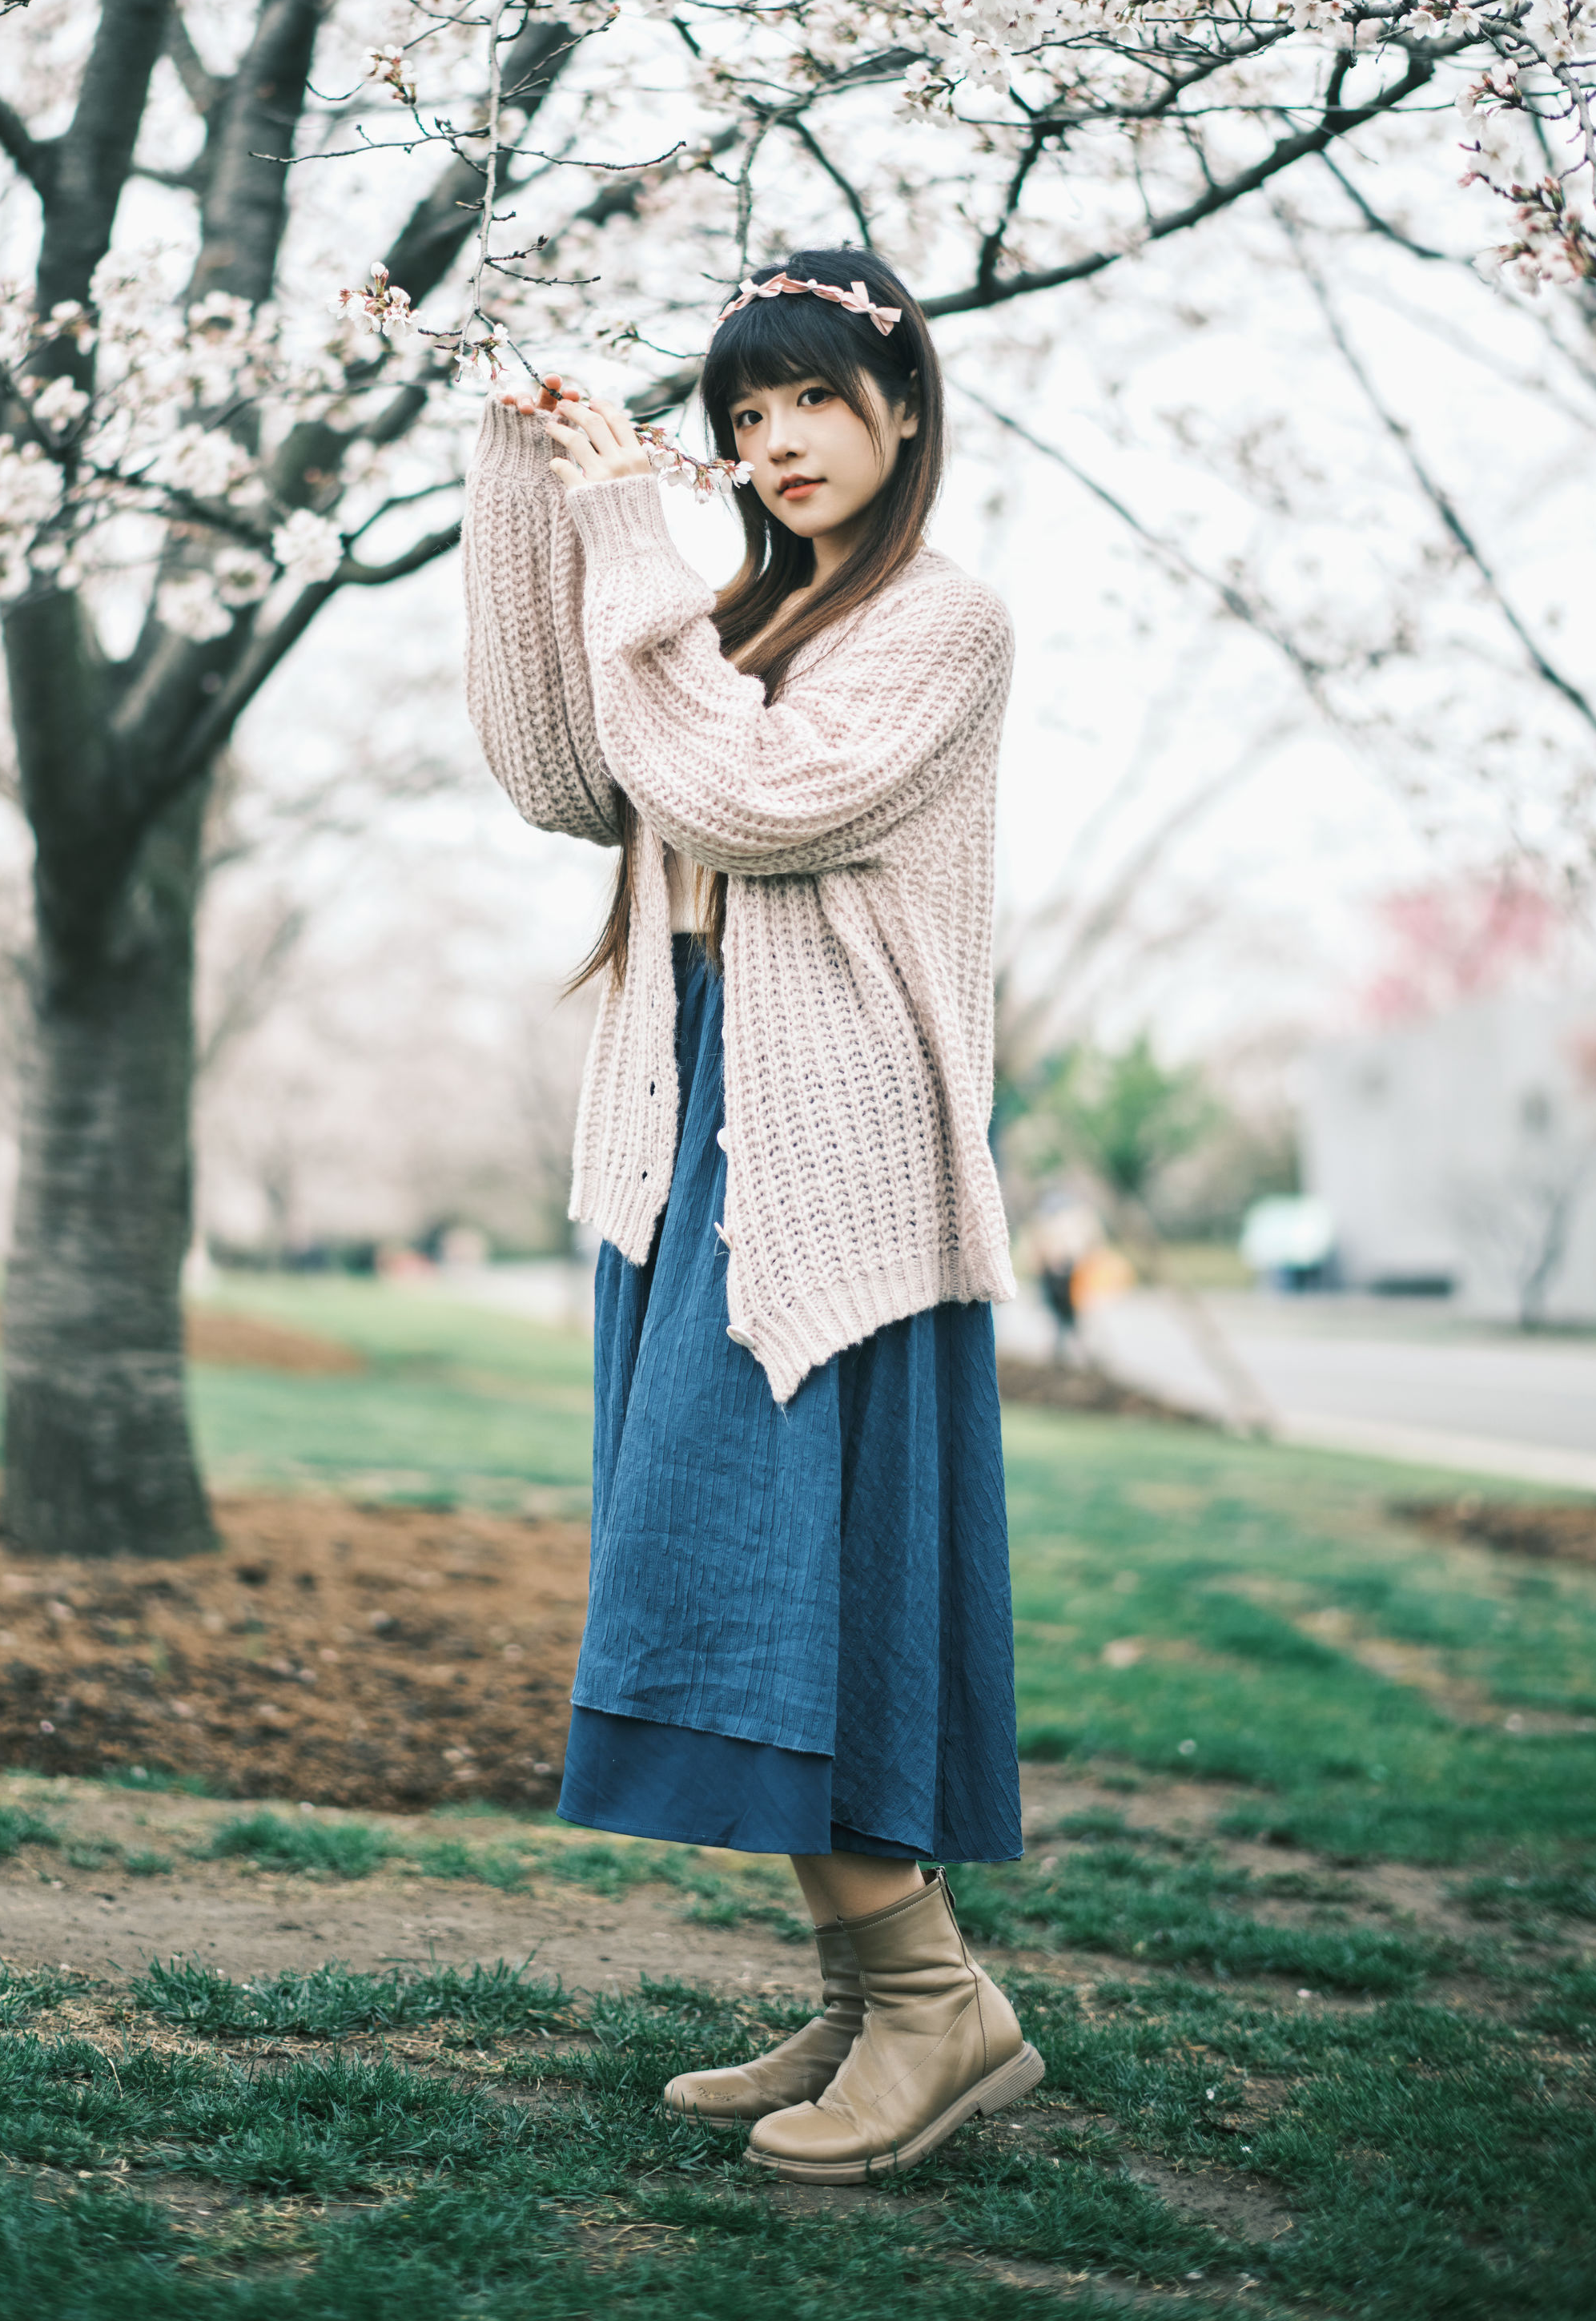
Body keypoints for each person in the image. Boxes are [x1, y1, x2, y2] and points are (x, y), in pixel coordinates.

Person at [462, 243, 1041, 2183]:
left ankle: (935, 1999)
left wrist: (637, 553)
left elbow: (759, 809)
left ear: (898, 412)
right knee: (739, 1559)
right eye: (741, 417)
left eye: (808, 400)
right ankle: (879, 1991)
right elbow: (564, 773)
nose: (775, 442)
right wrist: (530, 495)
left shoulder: (939, 626)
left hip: (827, 1153)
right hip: (688, 1116)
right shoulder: (732, 624)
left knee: (801, 1565)